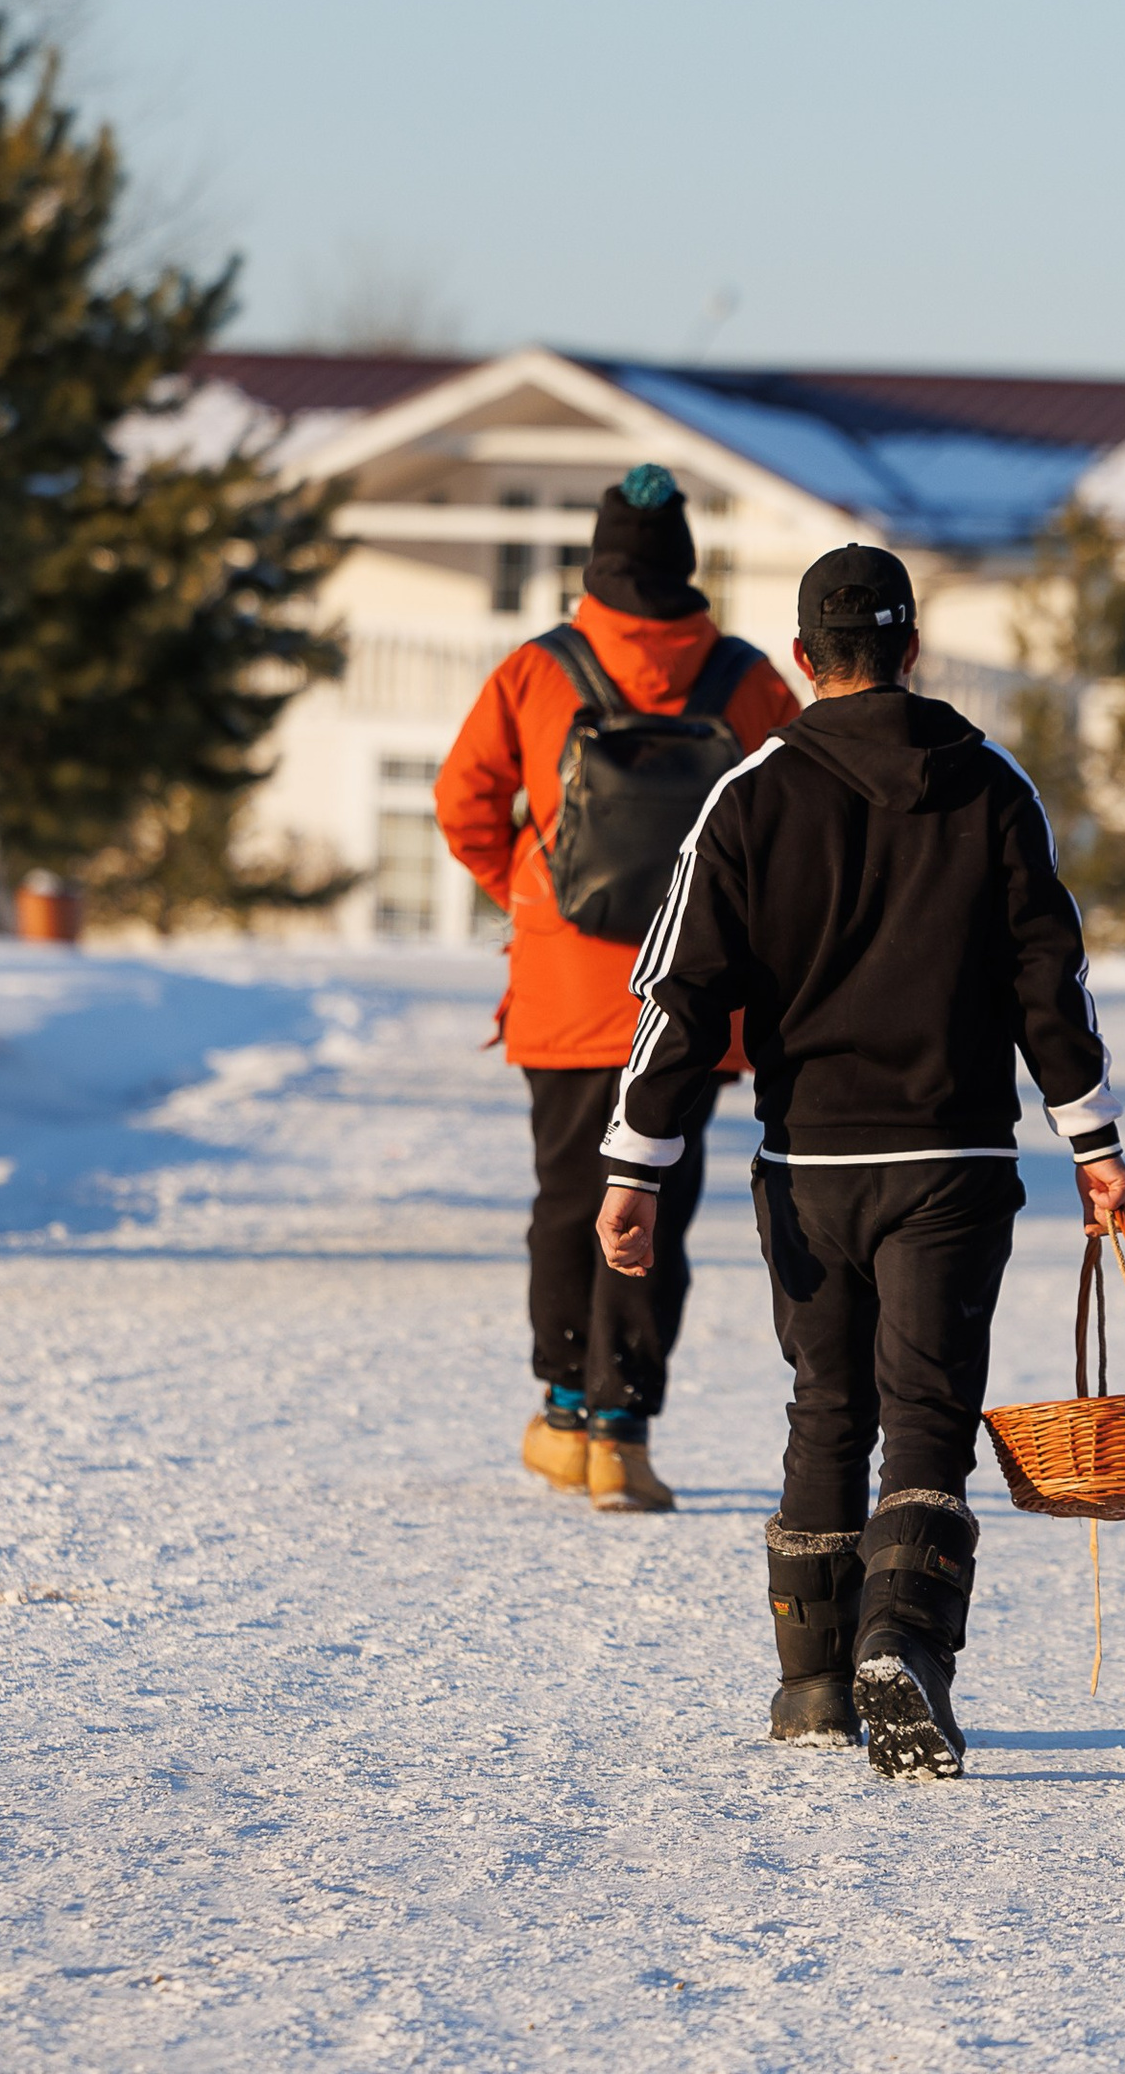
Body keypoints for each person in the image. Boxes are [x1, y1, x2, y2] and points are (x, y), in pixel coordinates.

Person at [593, 542, 1125, 1777]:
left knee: (826, 1405)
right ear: (911, 648)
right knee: (927, 1411)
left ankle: (812, 1683)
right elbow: (1047, 978)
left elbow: (681, 991)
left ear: (802, 656)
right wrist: (1092, 1139)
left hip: (807, 1164)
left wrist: (636, 1163)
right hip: (951, 1156)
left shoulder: (748, 794)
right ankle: (907, 1646)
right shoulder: (991, 784)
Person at [435, 465, 799, 1512]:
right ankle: (622, 1439)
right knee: (654, 1209)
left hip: (564, 984)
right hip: (691, 993)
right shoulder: (746, 680)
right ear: (686, 560)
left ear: (595, 561)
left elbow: (462, 803)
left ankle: (562, 1415)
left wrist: (532, 890)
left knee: (566, 1199)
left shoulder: (535, 671)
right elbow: (788, 822)